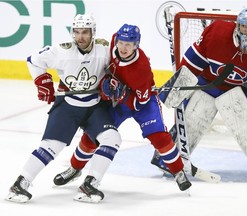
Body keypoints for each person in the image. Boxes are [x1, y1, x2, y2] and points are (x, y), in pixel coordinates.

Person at [52, 23, 192, 203]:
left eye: (129, 44)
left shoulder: (141, 67)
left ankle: (178, 171)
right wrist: (108, 85)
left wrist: (122, 93)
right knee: (93, 135)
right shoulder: (112, 43)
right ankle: (74, 168)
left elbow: (139, 102)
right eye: (121, 42)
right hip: (118, 101)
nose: (123, 47)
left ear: (136, 45)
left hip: (143, 101)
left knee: (159, 138)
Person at [151, 7, 247, 179]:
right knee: (192, 119)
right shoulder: (217, 32)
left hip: (238, 91)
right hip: (208, 85)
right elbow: (192, 62)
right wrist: (176, 88)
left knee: (246, 125)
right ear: (237, 25)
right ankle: (168, 161)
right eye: (244, 26)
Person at [6, 14, 122, 203]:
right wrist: (42, 82)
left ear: (93, 33)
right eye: (76, 32)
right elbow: (33, 60)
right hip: (68, 106)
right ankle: (20, 183)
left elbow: (119, 67)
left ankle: (89, 185)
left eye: (85, 32)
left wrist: (114, 83)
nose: (80, 37)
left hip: (95, 106)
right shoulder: (62, 51)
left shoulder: (104, 49)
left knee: (112, 138)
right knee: (51, 147)